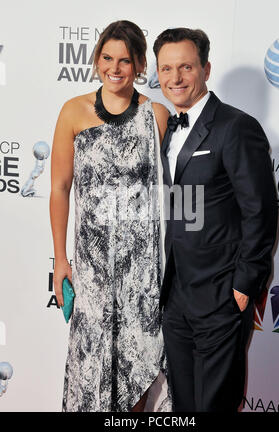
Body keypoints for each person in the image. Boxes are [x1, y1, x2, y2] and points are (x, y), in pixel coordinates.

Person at [153, 27, 278, 412]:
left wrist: (244, 285)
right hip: (175, 298)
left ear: (205, 68)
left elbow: (261, 211)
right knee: (184, 407)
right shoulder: (162, 128)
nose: (175, 78)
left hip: (222, 294)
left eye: (186, 67)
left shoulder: (236, 126)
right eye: (167, 68)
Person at [50, 20, 170, 412]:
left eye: (125, 60)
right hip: (93, 271)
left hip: (142, 274)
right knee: (92, 377)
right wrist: (61, 260)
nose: (114, 69)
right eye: (106, 58)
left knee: (139, 374)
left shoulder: (157, 116)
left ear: (138, 64)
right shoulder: (73, 111)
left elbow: (169, 197)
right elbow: (59, 189)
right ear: (96, 58)